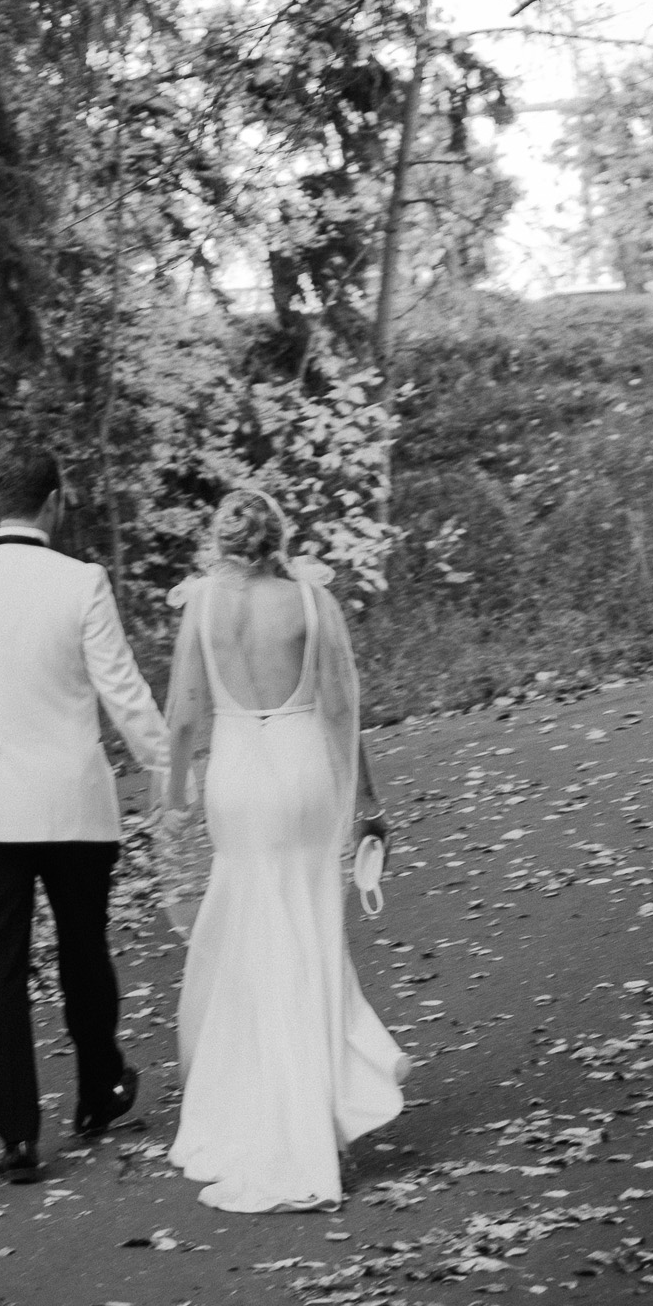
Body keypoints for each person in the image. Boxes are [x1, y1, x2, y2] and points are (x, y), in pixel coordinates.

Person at [0, 448, 169, 1186]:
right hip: (68, 797)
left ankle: (17, 1137)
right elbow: (121, 691)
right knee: (83, 947)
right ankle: (95, 1093)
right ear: (53, 503)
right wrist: (169, 771)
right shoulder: (80, 581)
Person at [155, 488, 409, 1212]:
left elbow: (181, 719)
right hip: (301, 774)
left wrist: (174, 806)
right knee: (307, 936)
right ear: (278, 537)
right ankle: (311, 1119)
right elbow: (339, 706)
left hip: (234, 775)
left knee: (250, 942)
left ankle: (254, 1111)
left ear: (219, 540)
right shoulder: (307, 599)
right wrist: (367, 799)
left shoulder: (200, 604)